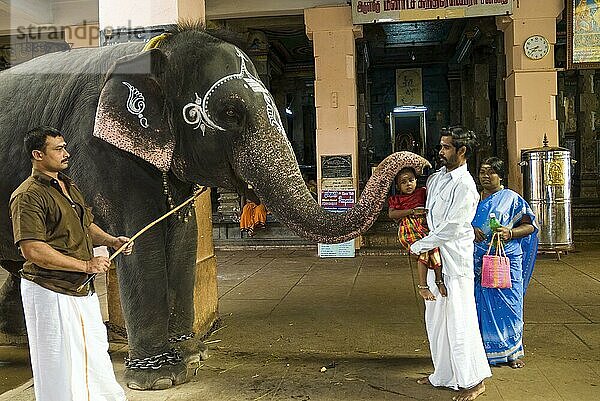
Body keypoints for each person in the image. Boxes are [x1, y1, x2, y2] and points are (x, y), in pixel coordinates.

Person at [10, 126, 133, 401]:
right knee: (60, 363)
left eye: (65, 147)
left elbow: (85, 225)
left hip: (80, 288)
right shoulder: (27, 195)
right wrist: (87, 266)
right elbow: (33, 250)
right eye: (58, 149)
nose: (66, 153)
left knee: (93, 353)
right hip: (49, 289)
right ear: (38, 155)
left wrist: (112, 241)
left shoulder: (67, 184)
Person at [410, 127, 491, 401]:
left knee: (460, 319)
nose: (441, 151)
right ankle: (442, 374)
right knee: (435, 318)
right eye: (441, 146)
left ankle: (473, 380)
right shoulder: (437, 179)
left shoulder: (465, 185)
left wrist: (420, 244)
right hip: (434, 260)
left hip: (454, 262)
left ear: (462, 151)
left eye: (446, 147)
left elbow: (454, 226)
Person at [472, 157, 538, 369]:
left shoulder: (511, 198)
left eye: (491, 172)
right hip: (478, 261)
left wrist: (510, 232)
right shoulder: (472, 198)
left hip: (507, 260)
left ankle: (512, 352)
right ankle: (484, 351)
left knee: (511, 304)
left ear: (501, 176)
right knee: (480, 306)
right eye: (482, 171)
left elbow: (530, 227)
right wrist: (470, 230)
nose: (485, 176)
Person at [388, 167, 446, 301]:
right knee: (424, 249)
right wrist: (411, 211)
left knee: (434, 248)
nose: (408, 184)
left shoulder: (422, 193)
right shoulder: (396, 199)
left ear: (416, 181)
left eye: (411, 180)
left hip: (423, 227)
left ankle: (438, 280)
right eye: (403, 182)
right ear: (397, 185)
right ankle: (423, 286)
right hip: (408, 229)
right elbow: (391, 214)